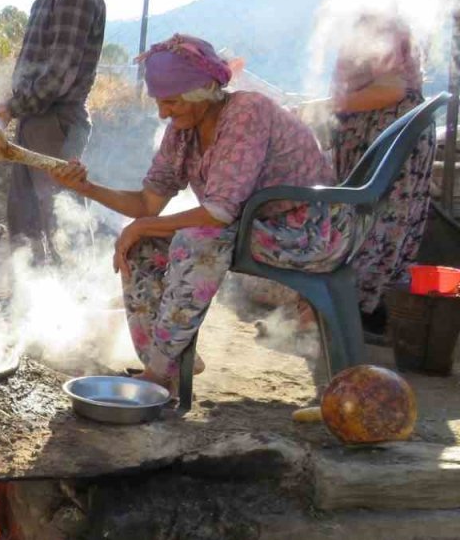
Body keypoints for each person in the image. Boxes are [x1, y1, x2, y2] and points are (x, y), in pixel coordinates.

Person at [50, 34, 356, 391]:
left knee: (197, 240)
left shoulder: (247, 113)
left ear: (204, 90)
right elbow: (147, 205)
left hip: (312, 230)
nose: (164, 112)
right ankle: (170, 361)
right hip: (256, 227)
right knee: (143, 244)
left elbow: (219, 214)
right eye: (160, 103)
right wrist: (87, 187)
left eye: (172, 102)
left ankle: (159, 372)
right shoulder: (182, 131)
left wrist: (145, 224)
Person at [314, 0, 437, 336]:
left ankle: (360, 312)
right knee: (370, 222)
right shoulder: (371, 21)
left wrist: (326, 105)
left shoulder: (384, 23)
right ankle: (364, 311)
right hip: (378, 133)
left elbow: (390, 88)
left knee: (376, 223)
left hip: (388, 136)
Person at [0, 0, 105, 262]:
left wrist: (11, 108)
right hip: (36, 120)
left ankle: (78, 299)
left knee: (61, 220)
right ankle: (35, 299)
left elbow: (58, 77)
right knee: (25, 219)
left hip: (56, 123)